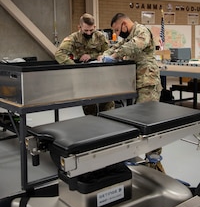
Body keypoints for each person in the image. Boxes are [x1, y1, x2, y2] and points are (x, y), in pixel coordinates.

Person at [98, 12, 164, 172]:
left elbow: (133, 46)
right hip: (135, 84)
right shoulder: (128, 37)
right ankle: (148, 162)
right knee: (139, 121)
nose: (117, 34)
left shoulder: (141, 31)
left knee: (149, 122)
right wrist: (104, 55)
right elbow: (116, 47)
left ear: (124, 24)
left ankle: (154, 162)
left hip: (147, 83)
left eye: (118, 31)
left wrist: (114, 56)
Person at [55, 13, 115, 115]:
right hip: (84, 78)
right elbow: (59, 54)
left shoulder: (100, 36)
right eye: (85, 30)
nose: (88, 33)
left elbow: (108, 52)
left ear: (94, 27)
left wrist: (92, 56)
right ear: (79, 27)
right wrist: (75, 67)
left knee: (107, 106)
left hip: (102, 76)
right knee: (89, 108)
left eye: (91, 30)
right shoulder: (73, 38)